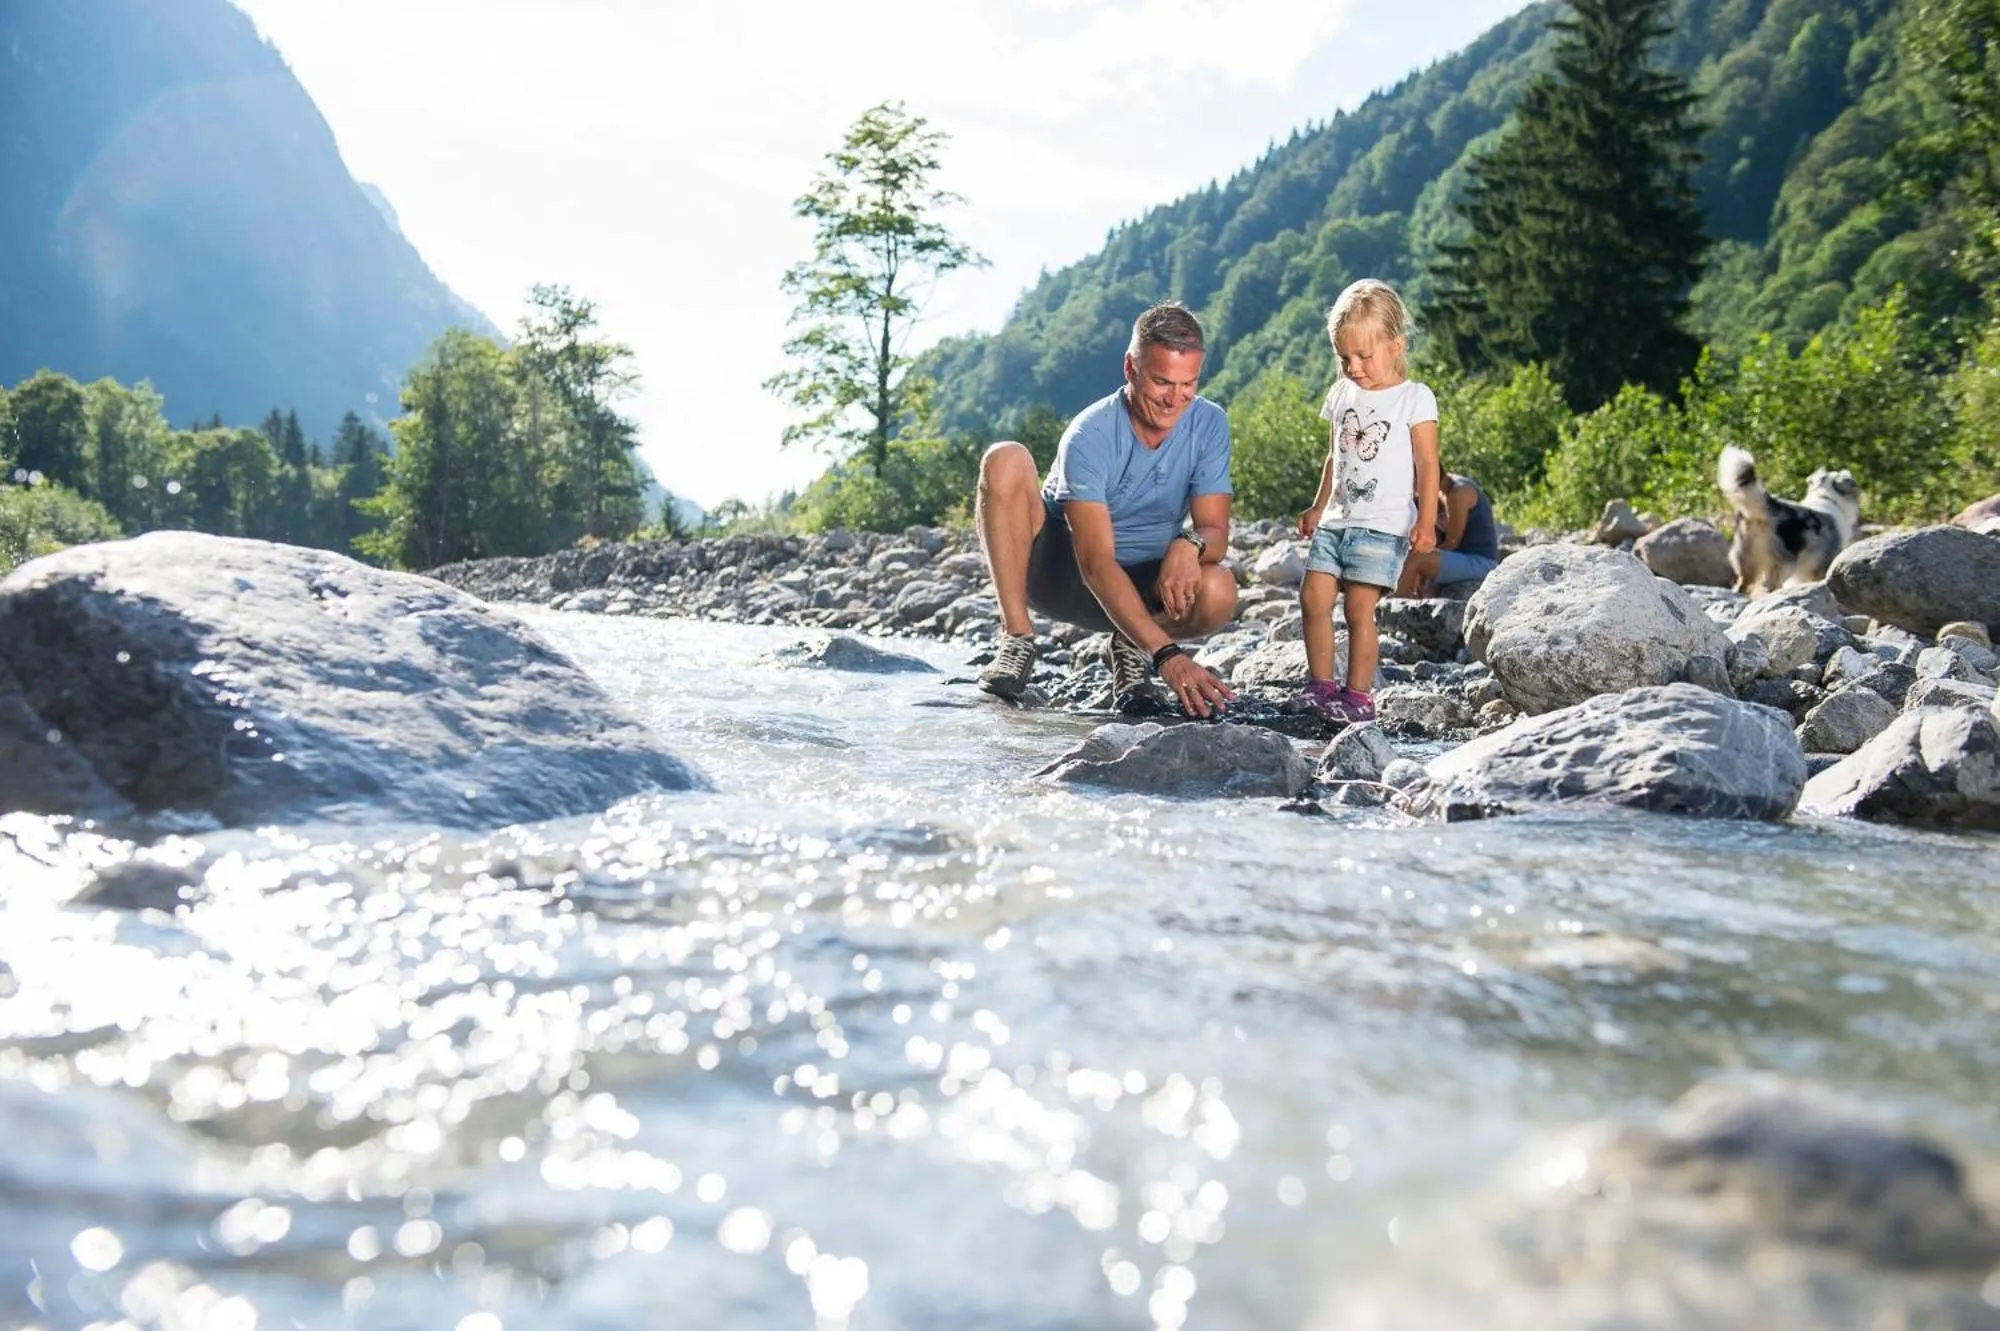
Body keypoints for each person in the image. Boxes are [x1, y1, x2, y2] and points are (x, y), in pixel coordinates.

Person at [972, 301, 1238, 718]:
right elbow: (1095, 563)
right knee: (1005, 457)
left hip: (1145, 588)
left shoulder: (1209, 423)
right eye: (1162, 382)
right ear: (1130, 368)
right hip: (1062, 578)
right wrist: (1167, 655)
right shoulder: (1090, 433)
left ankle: (1129, 644)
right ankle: (1016, 638)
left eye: (1188, 384)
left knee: (1219, 588)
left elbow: (1215, 530)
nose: (1175, 400)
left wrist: (1188, 545)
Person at [1287, 279, 1439, 725]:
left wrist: (1427, 520)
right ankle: (1320, 685)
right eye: (1343, 358)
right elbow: (1335, 456)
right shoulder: (1341, 393)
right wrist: (1317, 507)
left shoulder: (1414, 398)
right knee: (1312, 598)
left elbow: (1427, 462)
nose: (1353, 367)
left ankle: (1357, 697)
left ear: (1396, 345)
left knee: (1357, 609)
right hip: (1336, 521)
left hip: (1383, 524)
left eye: (1363, 356)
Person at [1394, 461, 1501, 597]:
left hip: (1482, 563)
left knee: (1415, 559)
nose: (1412, 488)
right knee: (1411, 553)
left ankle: (1394, 606)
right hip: (1461, 557)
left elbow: (1452, 543)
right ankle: (1407, 598)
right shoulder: (1443, 488)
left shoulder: (1459, 493)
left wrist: (1424, 562)